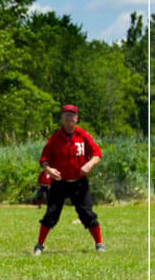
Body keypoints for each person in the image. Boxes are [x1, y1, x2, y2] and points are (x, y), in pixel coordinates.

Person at [33, 104, 104, 256]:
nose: (69, 117)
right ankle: (39, 246)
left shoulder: (83, 135)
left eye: (72, 115)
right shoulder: (55, 138)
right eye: (66, 114)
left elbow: (97, 153)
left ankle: (99, 244)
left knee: (87, 213)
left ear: (76, 118)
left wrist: (89, 164)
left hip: (79, 183)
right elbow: (44, 158)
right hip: (59, 183)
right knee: (51, 213)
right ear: (61, 118)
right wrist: (49, 170)